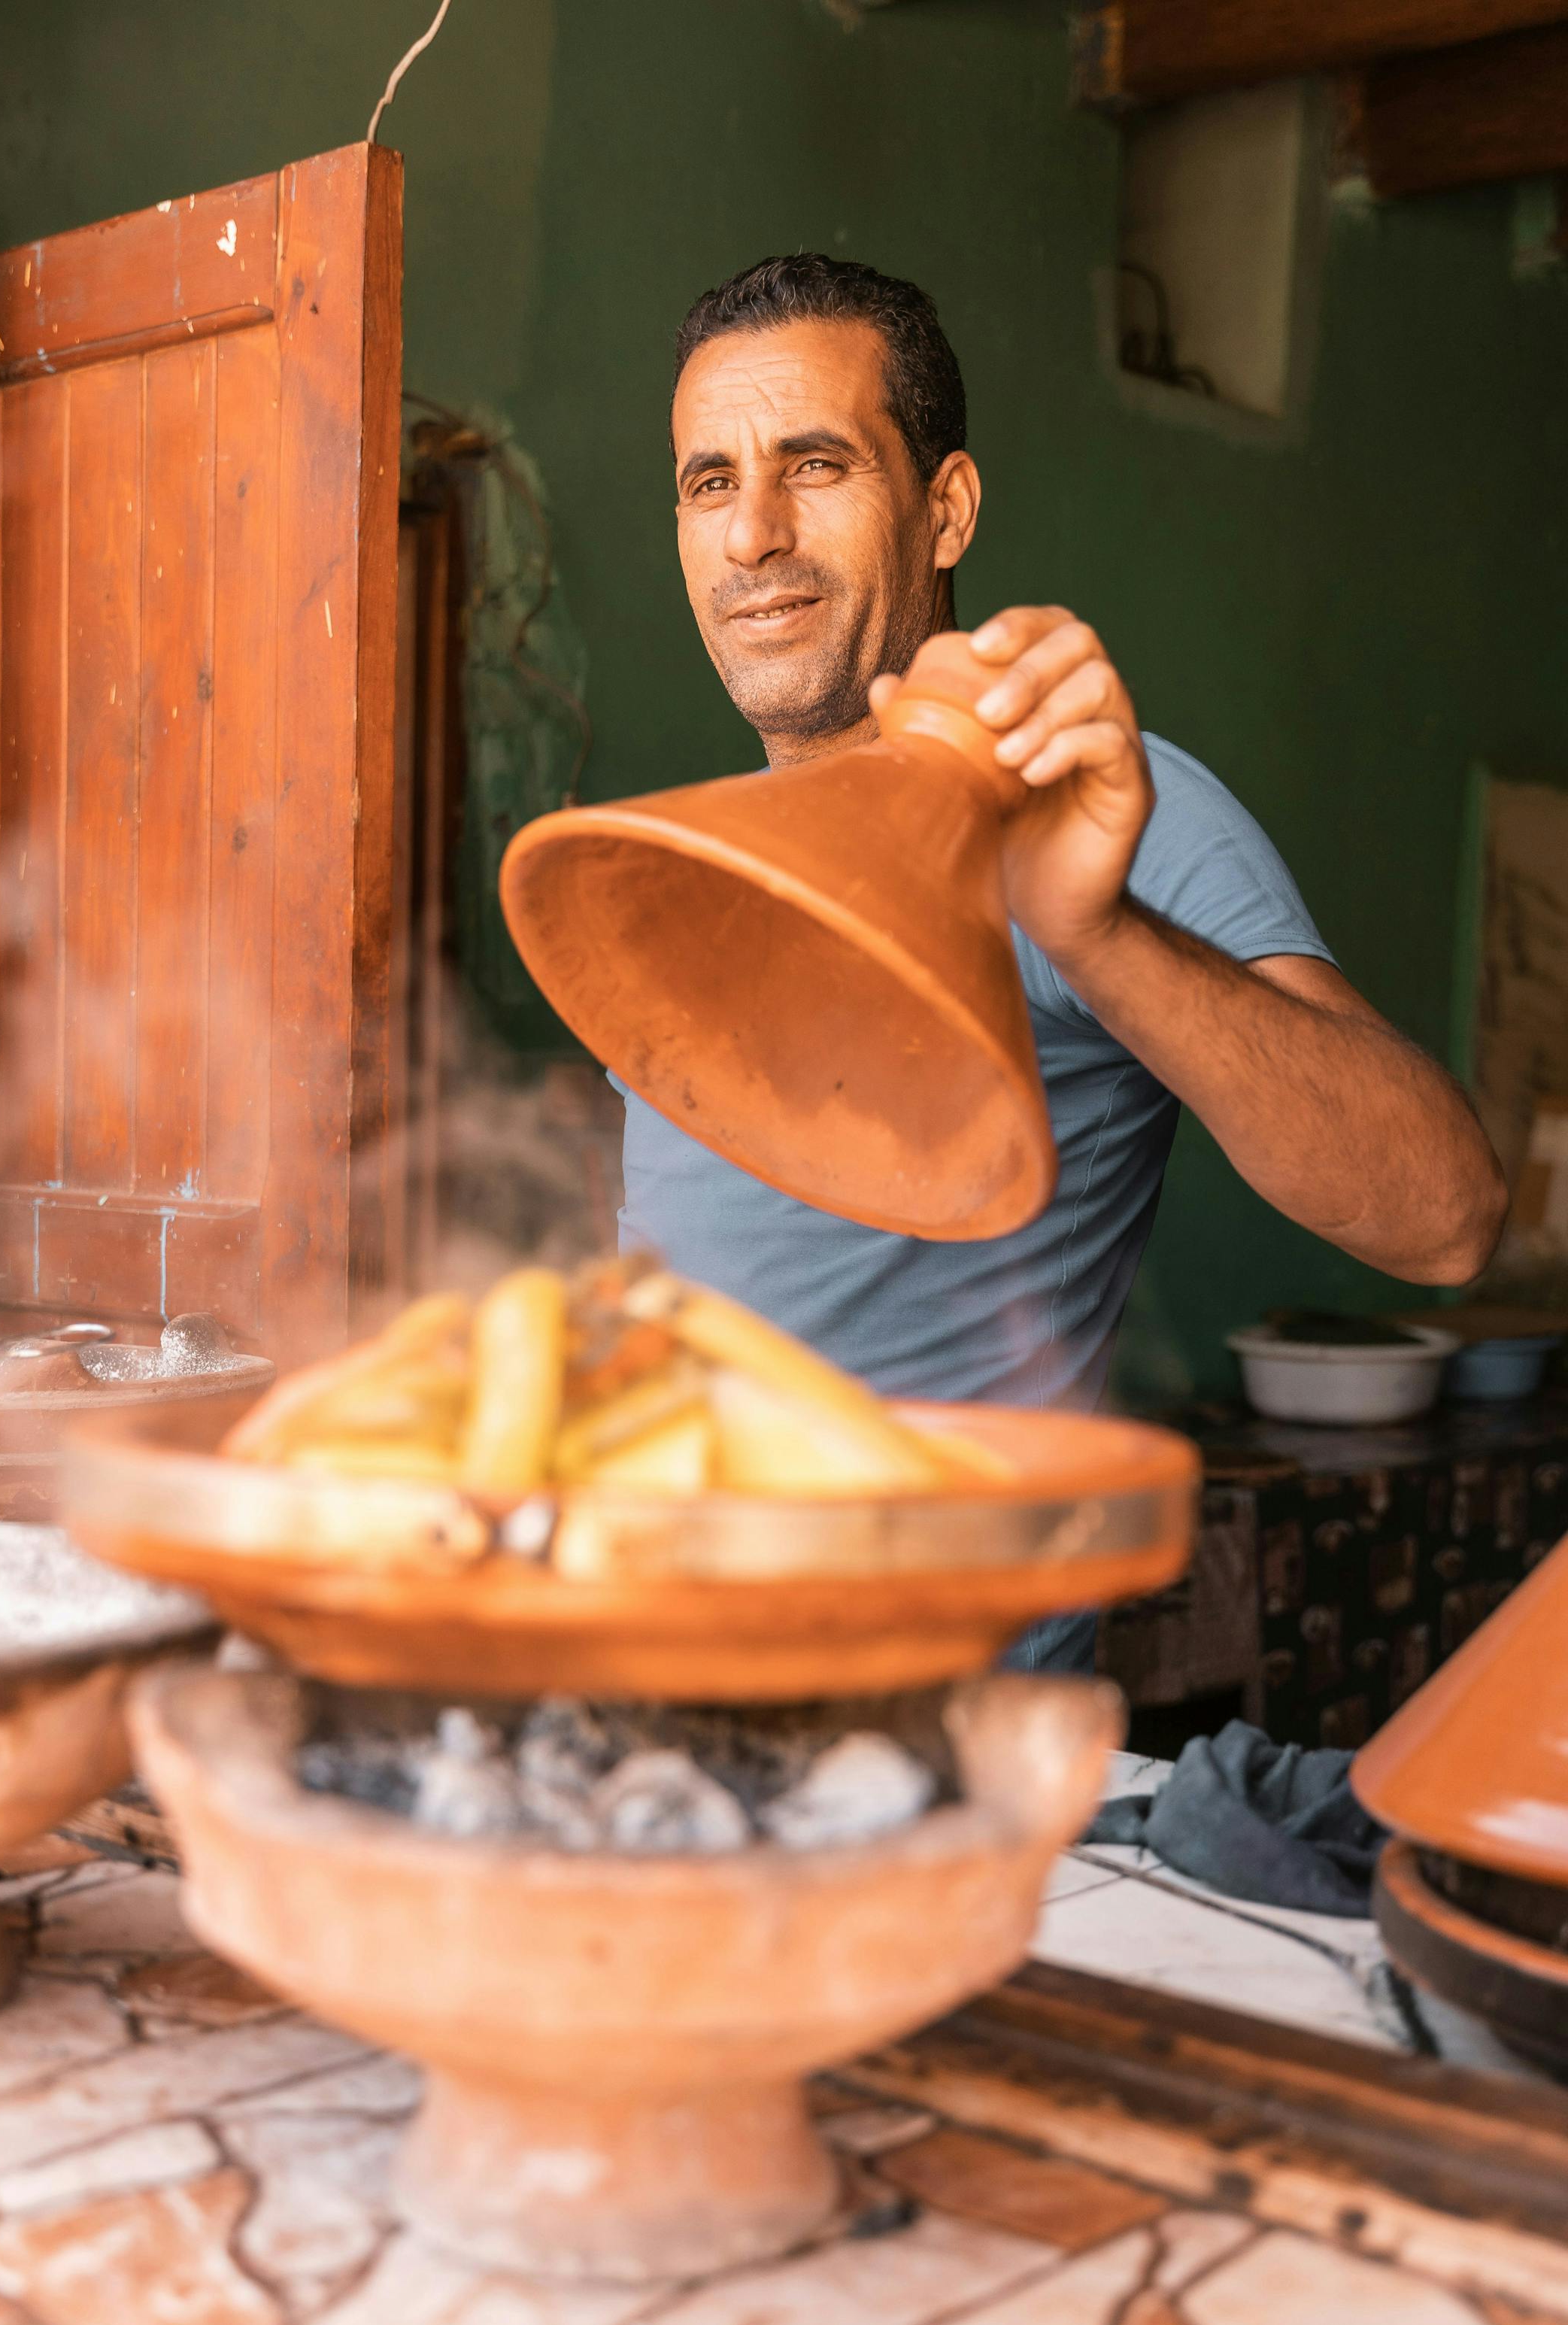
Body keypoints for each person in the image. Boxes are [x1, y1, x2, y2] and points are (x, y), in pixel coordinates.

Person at [614, 254, 1507, 1671]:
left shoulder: (1088, 801)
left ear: (946, 507)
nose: (753, 535)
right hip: (643, 1689)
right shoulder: (687, 866)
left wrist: (1089, 927)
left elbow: (1445, 1217)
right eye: (708, 482)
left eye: (815, 463)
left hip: (935, 1747)